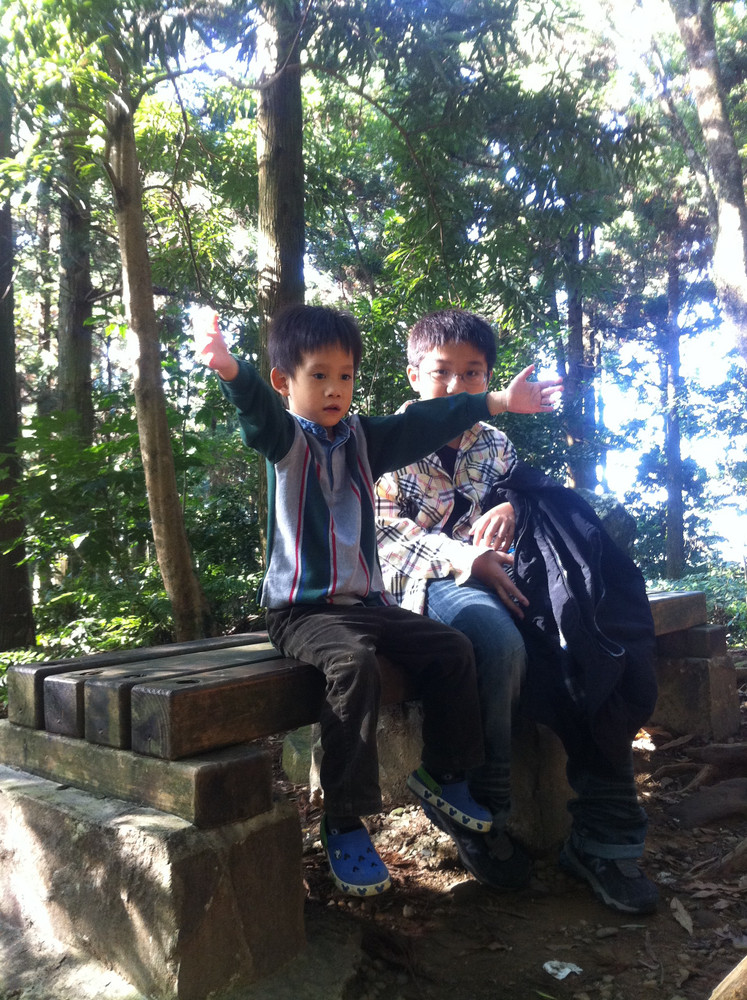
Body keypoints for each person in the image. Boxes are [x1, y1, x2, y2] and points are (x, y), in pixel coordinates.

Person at [193, 303, 562, 898]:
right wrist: (230, 369)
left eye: (345, 376)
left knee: (452, 648)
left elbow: (426, 422)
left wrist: (496, 402)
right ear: (285, 381)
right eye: (318, 375)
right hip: (303, 611)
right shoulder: (286, 439)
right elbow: (256, 411)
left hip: (368, 605)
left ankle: (443, 773)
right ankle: (344, 819)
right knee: (353, 665)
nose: (334, 389)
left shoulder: (365, 439)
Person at [375, 308, 660, 915]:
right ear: (413, 375)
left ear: (489, 378)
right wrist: (467, 559)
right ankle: (483, 811)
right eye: (441, 372)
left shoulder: (494, 442)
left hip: (510, 577)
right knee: (496, 642)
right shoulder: (387, 442)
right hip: (426, 583)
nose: (456, 385)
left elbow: (533, 493)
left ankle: (606, 838)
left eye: (472, 373)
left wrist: (514, 507)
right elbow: (382, 537)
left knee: (585, 645)